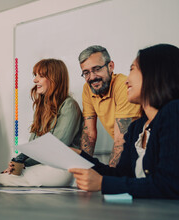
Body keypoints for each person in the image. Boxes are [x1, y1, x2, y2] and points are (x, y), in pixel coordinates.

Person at [69, 44, 179, 199]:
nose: (127, 80)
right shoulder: (137, 128)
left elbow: (170, 184)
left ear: (155, 73)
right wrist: (80, 156)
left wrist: (103, 184)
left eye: (132, 69)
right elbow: (121, 174)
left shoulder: (174, 111)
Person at [0, 59, 82, 186]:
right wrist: (17, 163)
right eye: (35, 75)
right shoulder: (41, 107)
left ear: (54, 78)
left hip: (60, 168)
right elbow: (33, 146)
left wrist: (23, 162)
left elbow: (57, 146)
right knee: (0, 178)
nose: (35, 80)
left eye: (40, 76)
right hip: (42, 164)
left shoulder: (69, 105)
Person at [79, 45, 141, 167]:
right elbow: (89, 134)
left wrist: (110, 178)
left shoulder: (123, 86)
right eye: (86, 73)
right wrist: (82, 167)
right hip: (126, 151)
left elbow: (121, 139)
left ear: (110, 66)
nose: (92, 77)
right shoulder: (87, 89)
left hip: (139, 151)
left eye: (97, 69)